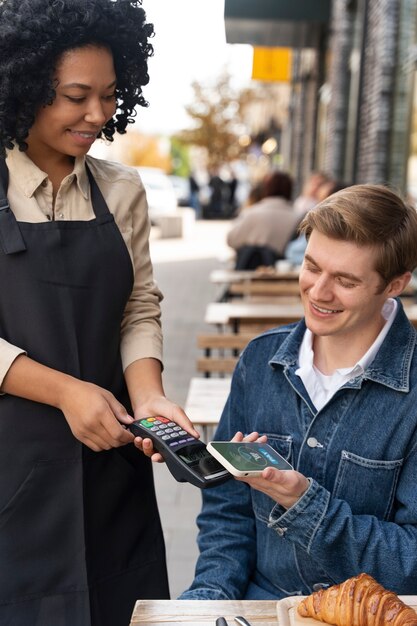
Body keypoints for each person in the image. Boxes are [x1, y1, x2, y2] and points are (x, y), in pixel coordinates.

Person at [0, 1, 198, 624]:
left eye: (110, 95)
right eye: (75, 95)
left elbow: (138, 305)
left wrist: (149, 398)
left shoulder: (122, 190)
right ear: (25, 86)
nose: (98, 115)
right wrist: (63, 392)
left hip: (111, 469)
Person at [180, 184, 417, 600]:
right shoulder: (260, 359)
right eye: (312, 267)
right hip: (261, 603)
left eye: (345, 280)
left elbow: (411, 564)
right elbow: (227, 510)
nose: (319, 292)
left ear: (395, 284)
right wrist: (210, 596)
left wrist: (305, 504)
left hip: (374, 612)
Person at [226, 171, 299, 270]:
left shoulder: (251, 213)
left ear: (266, 188)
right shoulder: (298, 217)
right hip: (282, 273)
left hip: (248, 270)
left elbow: (231, 239)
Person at [285, 179, 348, 266]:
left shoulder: (326, 226)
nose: (318, 205)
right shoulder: (313, 220)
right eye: (318, 200)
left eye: (323, 202)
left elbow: (294, 252)